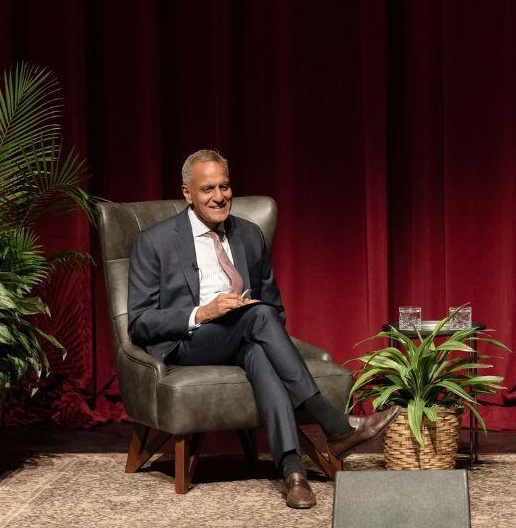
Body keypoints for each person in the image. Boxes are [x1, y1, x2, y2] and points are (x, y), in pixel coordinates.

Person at [127, 149, 398, 509]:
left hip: (244, 336)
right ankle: (334, 425)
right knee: (258, 318)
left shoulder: (249, 235)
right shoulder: (155, 241)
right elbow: (140, 321)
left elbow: (275, 309)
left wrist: (250, 318)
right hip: (187, 342)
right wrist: (202, 313)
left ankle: (293, 472)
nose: (219, 196)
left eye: (225, 186)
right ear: (187, 193)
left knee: (259, 343)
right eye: (207, 188)